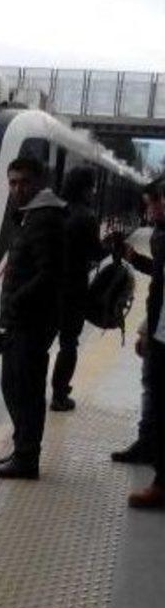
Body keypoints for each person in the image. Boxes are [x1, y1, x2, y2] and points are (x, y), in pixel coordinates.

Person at [0, 156, 65, 480]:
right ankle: (22, 449)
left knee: (25, 389)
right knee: (14, 385)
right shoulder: (30, 215)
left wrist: (18, 300)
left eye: (23, 182)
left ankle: (26, 458)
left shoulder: (44, 218)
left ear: (38, 183)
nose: (17, 189)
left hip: (32, 320)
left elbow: (49, 273)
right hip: (24, 318)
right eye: (13, 182)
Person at [112, 181, 165, 465]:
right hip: (158, 324)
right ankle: (148, 444)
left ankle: (150, 449)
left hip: (161, 329)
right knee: (151, 386)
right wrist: (134, 259)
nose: (148, 210)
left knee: (153, 388)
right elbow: (160, 279)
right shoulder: (160, 233)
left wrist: (146, 329)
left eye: (152, 203)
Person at [50, 166, 106, 411]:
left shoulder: (56, 212)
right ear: (85, 188)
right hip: (73, 289)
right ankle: (60, 394)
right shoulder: (87, 217)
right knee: (68, 343)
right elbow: (96, 253)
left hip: (48, 286)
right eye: (91, 188)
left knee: (41, 340)